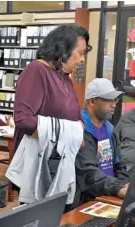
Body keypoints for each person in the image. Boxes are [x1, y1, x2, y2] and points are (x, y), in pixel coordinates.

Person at [13, 24, 92, 153]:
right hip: (37, 158)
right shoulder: (36, 70)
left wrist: (76, 132)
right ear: (63, 50)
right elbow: (23, 119)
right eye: (81, 53)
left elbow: (76, 117)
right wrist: (66, 134)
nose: (83, 59)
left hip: (59, 157)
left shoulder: (65, 77)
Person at [74, 79, 130, 208]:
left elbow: (119, 164)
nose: (114, 104)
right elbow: (88, 174)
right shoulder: (80, 130)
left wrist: (124, 184)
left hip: (110, 195)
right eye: (109, 100)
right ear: (92, 101)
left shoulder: (109, 128)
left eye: (115, 100)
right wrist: (118, 188)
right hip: (88, 200)